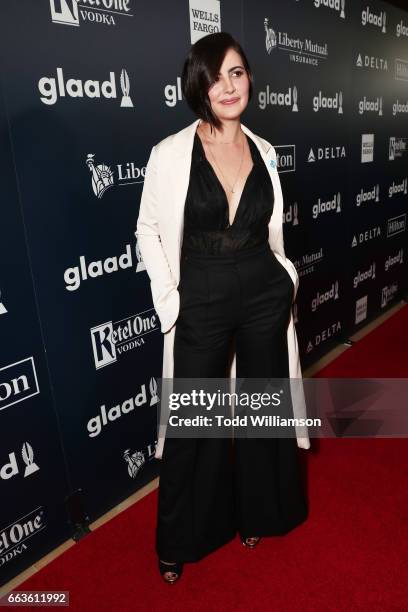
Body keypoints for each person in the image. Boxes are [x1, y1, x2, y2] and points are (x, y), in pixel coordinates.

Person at [136, 32, 310, 584]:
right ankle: (183, 536)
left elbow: (272, 230)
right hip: (202, 295)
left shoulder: (265, 151)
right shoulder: (169, 154)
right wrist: (171, 302)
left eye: (237, 73)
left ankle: (262, 511)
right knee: (195, 421)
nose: (228, 86)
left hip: (263, 289)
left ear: (249, 79)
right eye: (215, 76)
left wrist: (285, 279)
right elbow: (147, 232)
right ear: (198, 86)